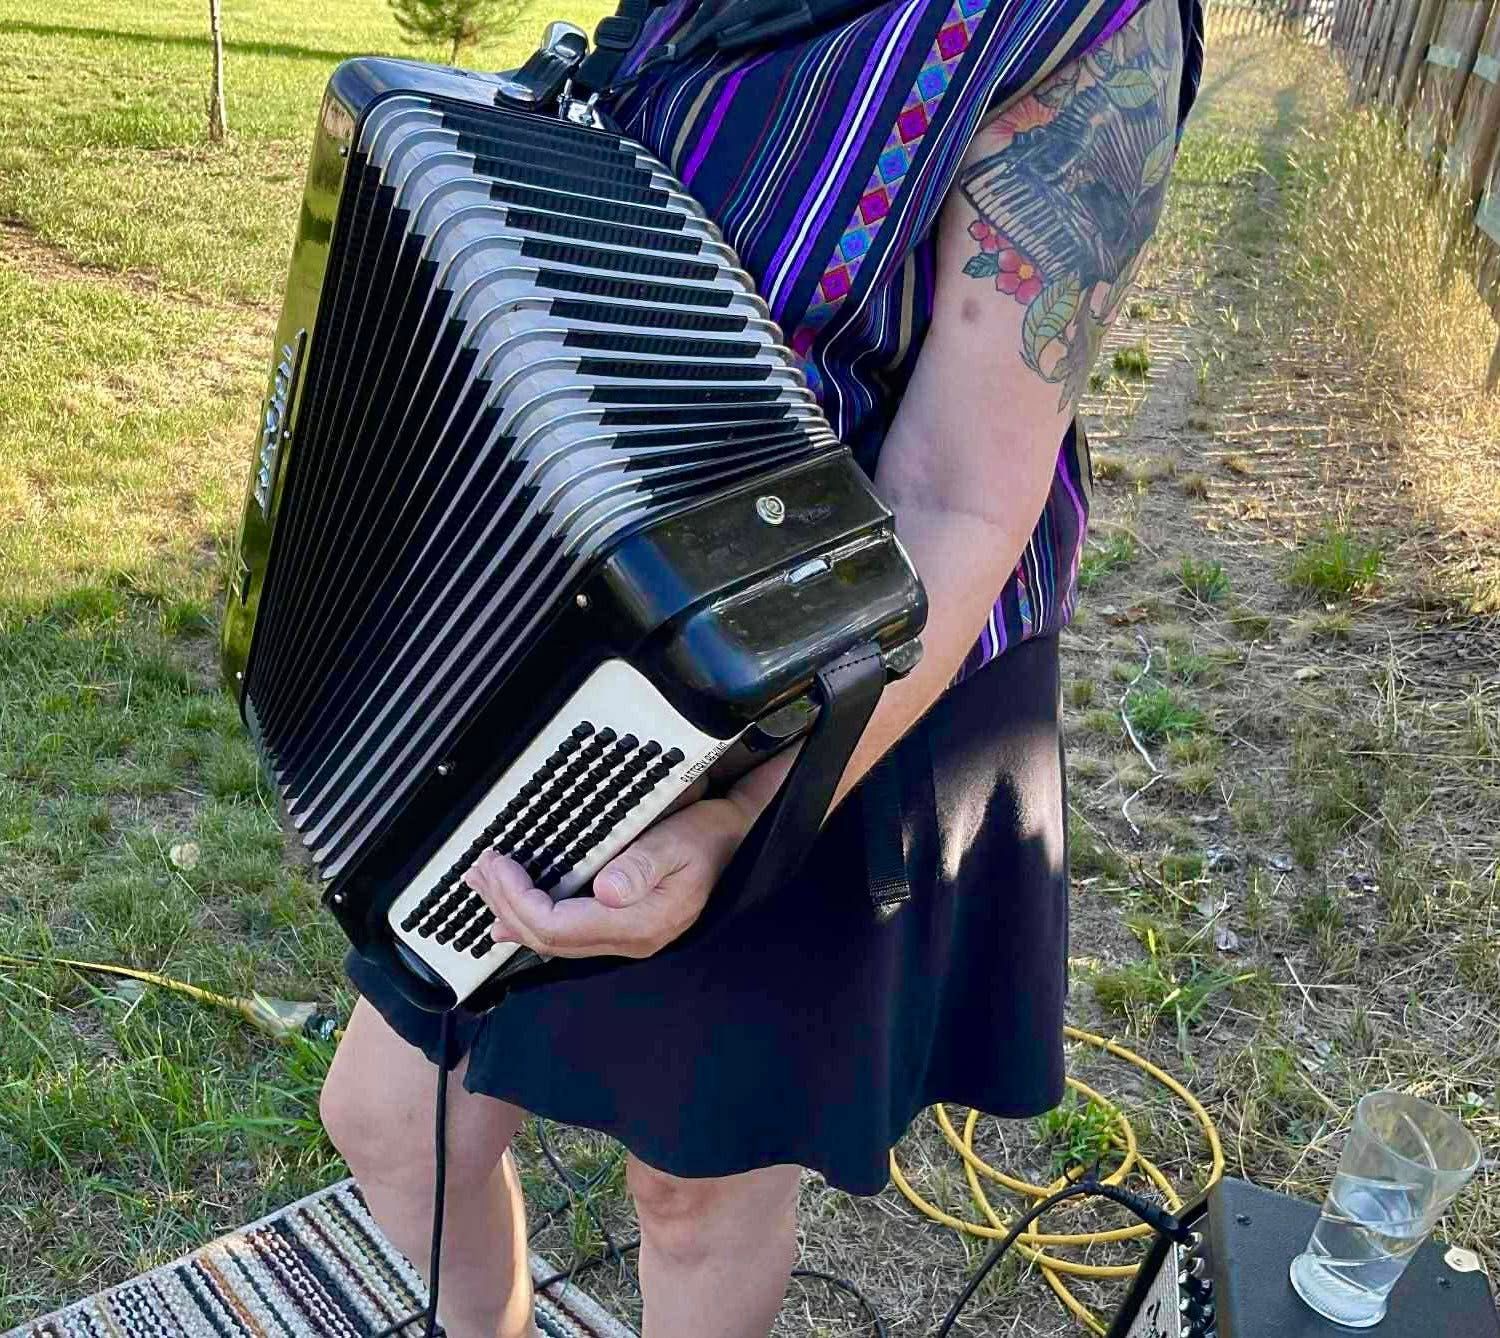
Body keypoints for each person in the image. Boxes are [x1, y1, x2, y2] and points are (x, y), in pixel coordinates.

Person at [320, 0, 1203, 1332]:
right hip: (579, 605)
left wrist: (745, 813)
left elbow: (959, 497)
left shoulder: (1091, 29)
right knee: (391, 1115)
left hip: (836, 670)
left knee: (695, 1187)